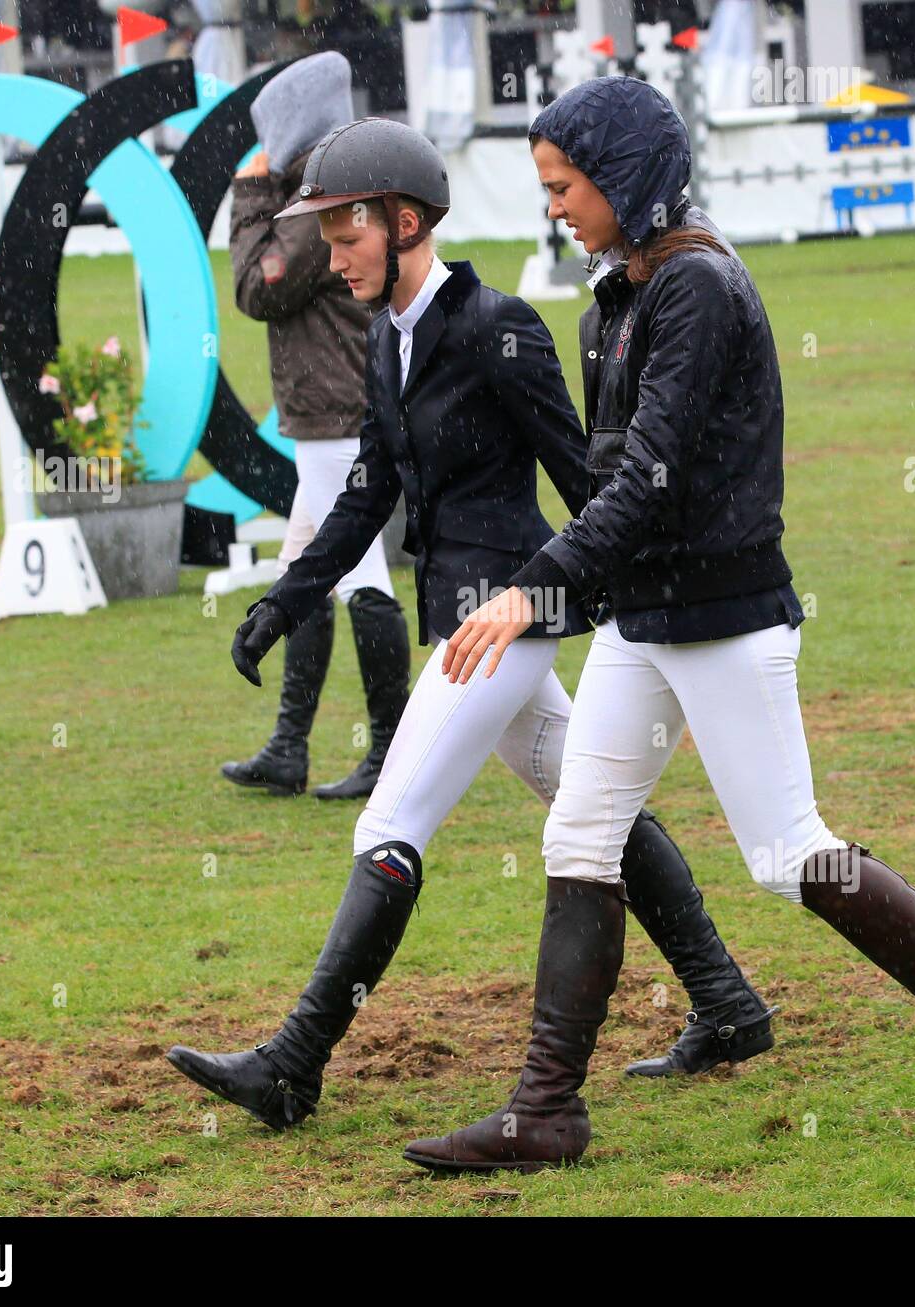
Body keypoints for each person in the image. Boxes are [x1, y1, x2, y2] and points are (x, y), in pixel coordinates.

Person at [404, 76, 915, 1174]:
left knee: (786, 849)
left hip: (723, 619)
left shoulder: (698, 288)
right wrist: (565, 585)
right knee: (579, 830)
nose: (553, 207)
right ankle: (545, 1108)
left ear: (626, 177)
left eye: (564, 186)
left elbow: (649, 476)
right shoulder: (613, 295)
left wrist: (532, 584)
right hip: (643, 623)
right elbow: (613, 481)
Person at [164, 116, 779, 1133]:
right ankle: (725, 999)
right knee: (589, 798)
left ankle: (296, 1059)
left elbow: (585, 478)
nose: (330, 254)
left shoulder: (499, 326)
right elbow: (366, 493)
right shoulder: (383, 338)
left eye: (346, 232)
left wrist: (565, 594)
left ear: (405, 223)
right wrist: (285, 597)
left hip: (503, 619)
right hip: (461, 618)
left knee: (389, 820)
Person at [223, 52, 410, 800]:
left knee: (361, 574)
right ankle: (290, 746)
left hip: (335, 410)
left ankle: (392, 751)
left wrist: (248, 190)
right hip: (338, 403)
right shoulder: (342, 182)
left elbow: (253, 288)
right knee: (301, 566)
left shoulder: (313, 200)